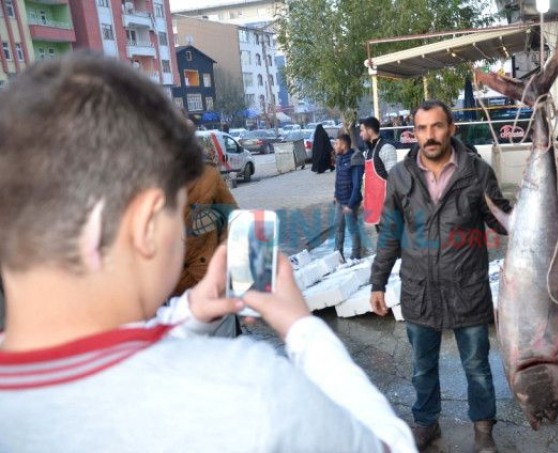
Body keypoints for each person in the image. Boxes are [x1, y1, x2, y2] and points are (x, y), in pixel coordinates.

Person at [0, 54, 416, 453]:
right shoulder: (249, 393)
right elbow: (390, 445)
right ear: (146, 225)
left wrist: (189, 313)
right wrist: (300, 327)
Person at [368, 100, 511, 452]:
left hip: (468, 288)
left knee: (477, 366)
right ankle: (426, 423)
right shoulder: (401, 177)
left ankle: (482, 430)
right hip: (420, 289)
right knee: (421, 367)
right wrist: (378, 282)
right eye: (422, 128)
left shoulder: (477, 173)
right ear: (413, 132)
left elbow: (502, 221)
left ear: (451, 128)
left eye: (437, 126)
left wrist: (539, 204)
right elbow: (389, 232)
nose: (429, 136)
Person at [172, 133, 240, 336]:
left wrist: (223, 256)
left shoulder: (207, 175)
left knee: (226, 352)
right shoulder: (141, 181)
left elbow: (233, 218)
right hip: (166, 290)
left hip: (209, 278)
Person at [360, 116, 397, 230]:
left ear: (370, 131)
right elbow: (368, 178)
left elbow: (394, 179)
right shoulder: (368, 151)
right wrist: (364, 199)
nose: (360, 134)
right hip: (374, 204)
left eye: (362, 130)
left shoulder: (386, 148)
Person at [333, 133, 365, 261]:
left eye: (337, 143)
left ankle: (356, 255)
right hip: (340, 200)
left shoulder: (355, 159)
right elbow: (338, 178)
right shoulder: (340, 157)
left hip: (350, 202)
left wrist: (350, 205)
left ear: (344, 144)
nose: (335, 146)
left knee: (352, 228)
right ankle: (337, 254)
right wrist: (335, 195)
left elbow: (357, 185)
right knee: (338, 227)